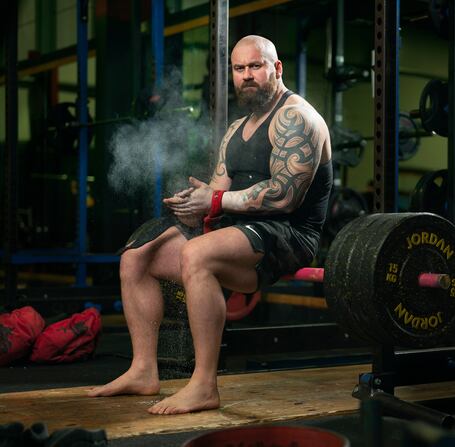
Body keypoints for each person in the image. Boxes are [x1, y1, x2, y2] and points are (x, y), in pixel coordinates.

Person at [87, 35, 333, 415]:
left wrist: (215, 202)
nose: (247, 76)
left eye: (256, 66)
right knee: (137, 256)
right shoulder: (237, 130)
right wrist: (195, 207)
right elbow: (218, 191)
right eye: (239, 69)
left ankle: (203, 385)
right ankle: (143, 370)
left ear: (276, 68)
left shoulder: (296, 118)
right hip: (241, 231)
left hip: (289, 235)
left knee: (196, 253)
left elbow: (285, 196)